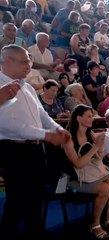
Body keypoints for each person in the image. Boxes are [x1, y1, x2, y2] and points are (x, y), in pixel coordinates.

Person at [0, 44, 70, 239]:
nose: (28, 66)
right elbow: (9, 125)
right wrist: (45, 135)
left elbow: (42, 114)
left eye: (29, 62)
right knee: (16, 203)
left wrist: (57, 128)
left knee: (35, 200)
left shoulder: (28, 86)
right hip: (14, 151)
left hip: (35, 150)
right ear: (7, 61)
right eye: (23, 62)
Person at [63, 104, 109, 239]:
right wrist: (95, 147)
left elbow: (98, 158)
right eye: (89, 116)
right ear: (78, 118)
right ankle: (95, 225)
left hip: (91, 173)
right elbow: (77, 164)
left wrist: (100, 146)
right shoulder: (68, 138)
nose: (92, 119)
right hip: (73, 178)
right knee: (105, 189)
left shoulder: (91, 134)